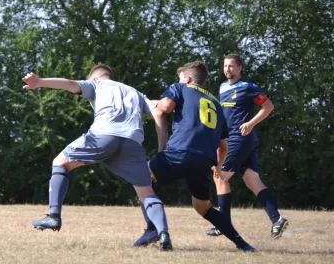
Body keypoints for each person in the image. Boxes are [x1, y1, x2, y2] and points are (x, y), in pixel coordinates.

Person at [22, 64, 173, 250]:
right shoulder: (135, 93)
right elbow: (159, 112)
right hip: (132, 141)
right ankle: (162, 232)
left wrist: (40, 82)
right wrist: (161, 150)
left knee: (60, 163)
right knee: (146, 192)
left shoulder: (97, 85)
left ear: (94, 78)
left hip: (104, 135)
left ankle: (54, 216)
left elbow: (69, 84)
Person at [133, 61, 255, 252]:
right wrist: (218, 167)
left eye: (180, 78)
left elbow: (165, 107)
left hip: (179, 152)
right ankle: (244, 245)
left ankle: (153, 230)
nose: (178, 81)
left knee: (141, 177)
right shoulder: (216, 103)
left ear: (187, 79)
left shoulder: (180, 88)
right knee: (203, 207)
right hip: (205, 160)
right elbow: (223, 146)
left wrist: (153, 103)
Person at [205, 53, 288, 239]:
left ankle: (223, 225)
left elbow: (268, 106)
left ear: (240, 67)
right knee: (252, 180)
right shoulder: (223, 86)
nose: (228, 70)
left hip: (240, 138)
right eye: (225, 66)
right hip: (234, 139)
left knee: (220, 177)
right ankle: (277, 219)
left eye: (231, 66)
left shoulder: (248, 87)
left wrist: (251, 123)